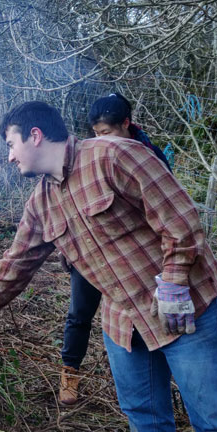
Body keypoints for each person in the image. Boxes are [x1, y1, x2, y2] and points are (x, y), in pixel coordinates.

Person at [0, 101, 217, 432]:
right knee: (145, 421)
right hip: (124, 323)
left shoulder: (114, 155)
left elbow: (179, 219)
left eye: (11, 145)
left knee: (214, 420)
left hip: (186, 308)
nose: (10, 157)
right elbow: (15, 264)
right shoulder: (40, 204)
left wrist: (174, 279)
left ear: (36, 136)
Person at [57, 93, 171, 406]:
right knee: (80, 313)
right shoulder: (85, 156)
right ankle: (70, 373)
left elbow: (168, 210)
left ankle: (162, 383)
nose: (101, 141)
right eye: (96, 134)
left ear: (126, 124)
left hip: (137, 259)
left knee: (150, 316)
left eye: (107, 133)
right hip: (90, 250)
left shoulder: (151, 156)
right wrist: (69, 243)